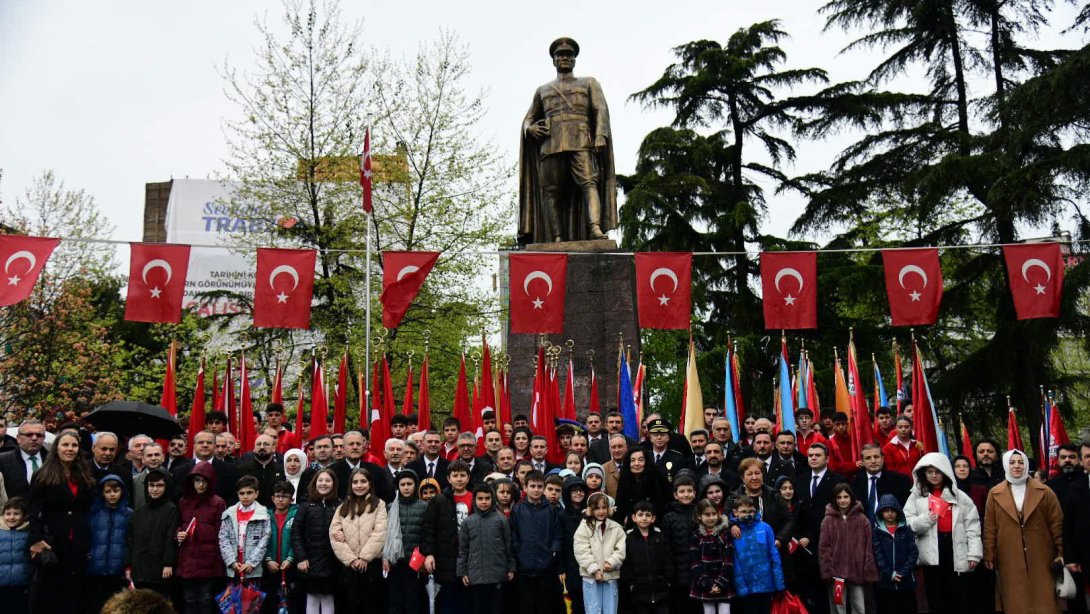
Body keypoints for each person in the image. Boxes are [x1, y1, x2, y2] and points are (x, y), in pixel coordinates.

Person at [519, 36, 617, 244]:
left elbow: (600, 110)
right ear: (554, 60)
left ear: (574, 59)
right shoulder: (542, 90)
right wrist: (530, 129)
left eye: (568, 55)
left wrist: (600, 135)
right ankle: (556, 237)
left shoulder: (589, 83)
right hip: (551, 145)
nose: (564, 58)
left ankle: (595, 228)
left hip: (581, 141)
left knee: (589, 184)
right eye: (560, 55)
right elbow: (529, 118)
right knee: (551, 192)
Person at [982, 449, 1064, 614]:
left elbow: (1057, 523)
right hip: (1009, 555)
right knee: (1015, 598)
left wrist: (1061, 550)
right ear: (1006, 465)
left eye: (1021, 462)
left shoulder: (1045, 492)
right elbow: (990, 526)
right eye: (1012, 462)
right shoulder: (995, 493)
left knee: (1045, 597)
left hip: (1041, 553)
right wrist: (989, 553)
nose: (1017, 466)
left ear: (1026, 465)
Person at [903, 452, 981, 614]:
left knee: (958, 595)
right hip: (931, 551)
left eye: (938, 471)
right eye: (929, 472)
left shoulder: (960, 497)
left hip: (955, 549)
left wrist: (974, 554)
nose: (933, 475)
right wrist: (926, 519)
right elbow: (907, 523)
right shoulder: (916, 497)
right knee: (935, 596)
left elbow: (972, 525)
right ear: (923, 473)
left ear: (945, 472)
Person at [27, 429, 92, 611]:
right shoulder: (42, 476)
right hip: (51, 544)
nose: (70, 449)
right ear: (56, 448)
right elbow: (34, 511)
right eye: (65, 445)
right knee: (48, 596)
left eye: (74, 445)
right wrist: (37, 540)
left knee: (73, 596)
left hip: (77, 544)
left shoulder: (84, 476)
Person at [330, 468, 388, 612]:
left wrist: (364, 558)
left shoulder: (379, 504)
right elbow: (334, 535)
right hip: (349, 568)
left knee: (371, 606)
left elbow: (380, 532)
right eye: (355, 482)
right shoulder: (342, 507)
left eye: (363, 481)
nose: (359, 485)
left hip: (371, 566)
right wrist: (352, 560)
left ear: (370, 483)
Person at [422, 459, 473, 613]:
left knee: (467, 602)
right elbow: (429, 528)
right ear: (448, 478)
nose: (459, 479)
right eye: (455, 475)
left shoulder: (476, 498)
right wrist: (429, 553)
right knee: (448, 602)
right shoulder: (439, 500)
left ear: (468, 478)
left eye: (462, 475)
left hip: (470, 558)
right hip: (445, 559)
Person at [175, 461, 226, 614]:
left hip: (208, 559)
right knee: (189, 599)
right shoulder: (183, 502)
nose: (201, 485)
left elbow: (221, 533)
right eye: (197, 480)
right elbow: (178, 524)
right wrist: (178, 533)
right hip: (188, 556)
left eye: (205, 481)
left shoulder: (218, 502)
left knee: (205, 598)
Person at [457, 483, 515, 614]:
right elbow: (463, 550)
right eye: (480, 498)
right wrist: (462, 572)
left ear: (492, 499)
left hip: (498, 575)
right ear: (475, 500)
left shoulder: (501, 520)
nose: (484, 502)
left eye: (487, 498)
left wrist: (511, 567)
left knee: (497, 609)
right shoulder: (468, 522)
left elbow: (508, 546)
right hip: (476, 576)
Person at [818, 483, 877, 614]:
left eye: (846, 496)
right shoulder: (827, 520)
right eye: (839, 497)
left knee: (859, 606)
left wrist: (868, 568)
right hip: (836, 573)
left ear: (851, 498)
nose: (842, 500)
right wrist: (827, 570)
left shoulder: (862, 520)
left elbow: (868, 547)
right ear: (835, 499)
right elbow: (824, 548)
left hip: (857, 571)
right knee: (838, 607)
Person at [510, 469, 563, 614]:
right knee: (524, 606)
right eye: (532, 486)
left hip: (545, 569)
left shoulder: (551, 510)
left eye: (540, 486)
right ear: (525, 488)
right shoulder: (518, 509)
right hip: (524, 569)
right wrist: (518, 552)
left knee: (544, 606)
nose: (536, 490)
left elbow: (557, 535)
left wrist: (552, 551)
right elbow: (513, 534)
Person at [291, 467, 340, 614]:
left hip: (332, 562)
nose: (324, 484)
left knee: (328, 597)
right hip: (310, 562)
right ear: (315, 483)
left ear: (334, 484)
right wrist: (301, 558)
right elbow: (296, 533)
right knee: (312, 597)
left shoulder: (339, 505)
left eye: (328, 480)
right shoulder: (306, 506)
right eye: (320, 480)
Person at [126, 468, 179, 596]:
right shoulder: (139, 512)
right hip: (140, 567)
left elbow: (170, 538)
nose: (155, 489)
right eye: (151, 485)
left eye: (160, 485)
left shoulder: (171, 509)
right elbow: (131, 539)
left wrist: (168, 563)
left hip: (160, 568)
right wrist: (128, 565)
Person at [730, 494, 785, 614]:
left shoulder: (765, 528)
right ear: (735, 512)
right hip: (746, 587)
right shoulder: (734, 532)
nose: (747, 514)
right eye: (743, 511)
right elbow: (735, 562)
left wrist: (779, 584)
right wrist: (741, 587)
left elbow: (774, 556)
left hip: (766, 585)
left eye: (751, 511)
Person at [382, 469, 428, 614]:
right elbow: (385, 536)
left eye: (410, 484)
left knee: (413, 603)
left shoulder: (424, 506)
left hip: (415, 564)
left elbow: (426, 534)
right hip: (395, 563)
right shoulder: (390, 507)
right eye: (403, 484)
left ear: (415, 485)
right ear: (398, 487)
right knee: (395, 602)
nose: (406, 487)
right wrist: (386, 557)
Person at [85, 475, 132, 612]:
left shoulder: (128, 515)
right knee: (96, 606)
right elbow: (86, 536)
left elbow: (130, 540)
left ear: (122, 491)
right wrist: (88, 554)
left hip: (118, 570)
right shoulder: (94, 513)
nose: (112, 495)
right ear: (102, 493)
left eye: (116, 491)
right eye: (108, 491)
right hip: (95, 568)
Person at [573, 491, 625, 614]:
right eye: (597, 508)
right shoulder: (584, 527)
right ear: (590, 510)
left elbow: (621, 549)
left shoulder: (616, 528)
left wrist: (611, 562)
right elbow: (581, 550)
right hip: (590, 576)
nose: (601, 511)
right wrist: (594, 568)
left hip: (610, 575)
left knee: (610, 609)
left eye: (604, 508)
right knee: (592, 609)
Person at [621, 500, 673, 614]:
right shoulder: (628, 538)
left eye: (647, 515)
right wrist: (631, 583)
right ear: (634, 518)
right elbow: (626, 563)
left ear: (653, 518)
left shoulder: (660, 537)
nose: (644, 518)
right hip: (640, 592)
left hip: (661, 590)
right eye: (640, 515)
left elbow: (668, 559)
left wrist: (668, 580)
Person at [871, 495, 918, 614]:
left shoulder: (906, 530)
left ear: (898, 512)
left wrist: (903, 573)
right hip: (885, 583)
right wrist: (889, 573)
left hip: (906, 582)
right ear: (881, 513)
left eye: (893, 510)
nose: (890, 513)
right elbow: (878, 555)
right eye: (886, 511)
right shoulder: (877, 532)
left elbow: (913, 553)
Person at [661, 474, 697, 614]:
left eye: (689, 491)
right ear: (675, 495)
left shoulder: (699, 513)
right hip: (677, 573)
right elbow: (666, 548)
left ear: (694, 493)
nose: (686, 495)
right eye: (682, 492)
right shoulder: (669, 517)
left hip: (697, 571)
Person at [849, 443, 913, 523]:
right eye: (868, 458)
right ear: (863, 462)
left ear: (883, 459)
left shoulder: (900, 480)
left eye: (876, 457)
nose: (873, 461)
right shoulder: (855, 482)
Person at [689, 498, 733, 613]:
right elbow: (695, 564)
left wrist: (720, 583)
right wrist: (707, 584)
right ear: (699, 516)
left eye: (714, 514)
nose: (711, 517)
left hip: (723, 582)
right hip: (705, 583)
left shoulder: (725, 534)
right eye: (707, 514)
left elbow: (728, 561)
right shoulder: (696, 536)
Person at [263, 481, 298, 614]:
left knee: (291, 603)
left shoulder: (297, 514)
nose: (280, 499)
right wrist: (267, 559)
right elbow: (261, 540)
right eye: (277, 496)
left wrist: (290, 558)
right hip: (271, 567)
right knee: (271, 603)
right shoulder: (265, 515)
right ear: (272, 498)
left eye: (285, 496)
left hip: (290, 567)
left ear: (291, 499)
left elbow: (298, 538)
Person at [613, 448, 668, 523]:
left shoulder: (656, 478)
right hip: (630, 524)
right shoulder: (624, 479)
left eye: (640, 460)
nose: (636, 463)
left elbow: (662, 505)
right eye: (632, 460)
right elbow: (620, 508)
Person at [0, 419, 47, 499]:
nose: (34, 438)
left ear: (44, 438)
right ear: (18, 438)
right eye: (29, 435)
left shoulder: (53, 460)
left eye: (39, 435)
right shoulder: (3, 460)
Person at [235, 434, 284, 508]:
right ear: (254, 448)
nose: (261, 447)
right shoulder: (241, 470)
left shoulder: (282, 470)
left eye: (266, 444)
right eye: (258, 444)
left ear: (273, 448)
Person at [0, 497, 30, 614]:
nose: (11, 517)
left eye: (16, 513)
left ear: (24, 515)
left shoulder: (28, 533)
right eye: (8, 513)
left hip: (22, 585)